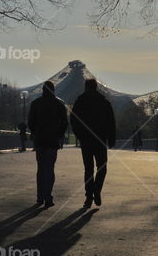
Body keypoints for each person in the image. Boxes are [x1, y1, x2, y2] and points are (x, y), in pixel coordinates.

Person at [70, 79, 116, 209]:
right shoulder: (104, 102)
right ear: (96, 87)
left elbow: (73, 120)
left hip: (86, 140)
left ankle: (89, 197)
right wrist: (111, 139)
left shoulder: (80, 102)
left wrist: (79, 135)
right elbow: (111, 122)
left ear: (86, 87)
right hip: (100, 139)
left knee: (88, 168)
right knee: (102, 167)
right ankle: (97, 189)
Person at [27, 80, 68, 208]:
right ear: (53, 90)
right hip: (52, 140)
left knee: (41, 169)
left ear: (43, 90)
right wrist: (60, 135)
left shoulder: (36, 103)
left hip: (40, 140)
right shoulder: (59, 104)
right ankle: (48, 197)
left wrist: (35, 132)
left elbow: (31, 121)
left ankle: (39, 197)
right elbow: (64, 122)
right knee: (50, 168)